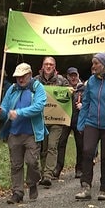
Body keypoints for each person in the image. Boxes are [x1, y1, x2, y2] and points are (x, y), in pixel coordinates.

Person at [0, 63, 47, 204]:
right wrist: (1, 111)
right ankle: (17, 192)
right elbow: (6, 108)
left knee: (32, 162)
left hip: (32, 133)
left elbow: (38, 107)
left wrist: (19, 113)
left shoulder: (38, 88)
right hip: (14, 133)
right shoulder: (12, 89)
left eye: (23, 76)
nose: (20, 79)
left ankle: (32, 182)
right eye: (18, 77)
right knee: (16, 165)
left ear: (29, 75)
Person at [75, 53, 105, 201]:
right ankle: (86, 186)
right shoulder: (91, 80)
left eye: (96, 63)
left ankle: (104, 188)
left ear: (104, 64)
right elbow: (86, 102)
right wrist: (81, 123)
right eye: (93, 63)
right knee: (87, 151)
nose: (93, 66)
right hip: (92, 122)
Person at [34, 57, 70, 186]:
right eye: (46, 64)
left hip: (56, 120)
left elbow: (71, 96)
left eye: (51, 64)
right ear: (42, 66)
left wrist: (70, 93)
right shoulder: (36, 81)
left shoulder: (62, 81)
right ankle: (43, 172)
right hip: (41, 119)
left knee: (52, 146)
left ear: (54, 67)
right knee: (42, 148)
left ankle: (48, 174)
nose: (48, 66)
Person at [65, 67, 85, 179]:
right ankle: (58, 168)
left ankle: (79, 169)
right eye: (71, 75)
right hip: (65, 120)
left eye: (75, 75)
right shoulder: (63, 88)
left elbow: (88, 101)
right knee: (61, 143)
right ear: (67, 77)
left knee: (80, 145)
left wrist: (82, 106)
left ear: (78, 75)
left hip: (78, 120)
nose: (73, 78)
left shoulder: (84, 88)